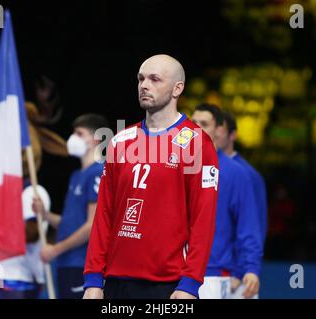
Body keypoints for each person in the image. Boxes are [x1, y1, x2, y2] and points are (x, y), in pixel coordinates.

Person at [82, 54, 219, 299]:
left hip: (167, 285)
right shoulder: (120, 141)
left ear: (178, 88)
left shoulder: (197, 143)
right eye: (141, 78)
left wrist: (190, 283)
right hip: (115, 282)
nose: (144, 85)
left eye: (155, 79)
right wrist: (93, 277)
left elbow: (203, 219)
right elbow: (104, 214)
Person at [192, 104, 263, 299]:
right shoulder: (175, 167)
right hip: (177, 273)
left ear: (219, 130)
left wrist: (246, 269)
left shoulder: (236, 173)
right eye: (193, 123)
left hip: (216, 275)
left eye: (204, 124)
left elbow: (249, 226)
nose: (197, 128)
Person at [32, 114, 108, 299]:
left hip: (83, 263)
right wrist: (46, 214)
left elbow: (92, 226)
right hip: (66, 262)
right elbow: (69, 223)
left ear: (95, 139)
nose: (73, 138)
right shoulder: (76, 175)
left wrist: (55, 250)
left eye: (79, 134)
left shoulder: (98, 172)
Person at [216, 110, 268, 299]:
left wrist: (240, 270)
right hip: (209, 272)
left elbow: (256, 226)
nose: (214, 133)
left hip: (234, 277)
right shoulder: (200, 169)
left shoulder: (248, 175)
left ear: (232, 135)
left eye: (220, 129)